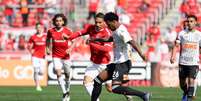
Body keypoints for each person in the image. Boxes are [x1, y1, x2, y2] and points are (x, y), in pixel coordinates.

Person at [64, 12, 133, 101]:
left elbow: (106, 49)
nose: (97, 24)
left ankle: (127, 94)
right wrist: (69, 37)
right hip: (94, 63)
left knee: (110, 88)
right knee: (86, 82)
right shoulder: (91, 28)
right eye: (96, 22)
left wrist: (91, 43)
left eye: (100, 22)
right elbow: (79, 33)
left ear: (105, 23)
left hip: (105, 64)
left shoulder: (107, 33)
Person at [90, 12, 150, 101]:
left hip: (123, 63)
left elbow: (133, 42)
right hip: (117, 63)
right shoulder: (115, 30)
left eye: (108, 24)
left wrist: (141, 54)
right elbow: (110, 38)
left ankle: (143, 95)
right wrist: (96, 39)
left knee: (115, 88)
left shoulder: (121, 31)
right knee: (97, 81)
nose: (107, 26)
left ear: (114, 21)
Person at [170, 15, 200, 101]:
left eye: (191, 21)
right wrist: (173, 56)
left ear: (195, 23)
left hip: (194, 63)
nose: (189, 23)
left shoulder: (199, 35)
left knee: (191, 80)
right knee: (182, 83)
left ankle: (189, 98)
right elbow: (176, 46)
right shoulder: (182, 33)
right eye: (188, 21)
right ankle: (186, 92)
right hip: (183, 62)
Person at [46, 13, 74, 101]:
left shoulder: (68, 31)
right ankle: (64, 93)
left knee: (67, 74)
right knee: (58, 73)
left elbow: (73, 41)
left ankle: (68, 90)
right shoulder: (51, 31)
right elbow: (47, 39)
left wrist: (70, 48)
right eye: (57, 21)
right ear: (54, 22)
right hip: (55, 55)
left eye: (60, 21)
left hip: (65, 56)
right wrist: (47, 48)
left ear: (63, 22)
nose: (58, 22)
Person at [27, 23, 46, 91]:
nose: (39, 28)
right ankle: (37, 86)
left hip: (42, 56)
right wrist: (30, 51)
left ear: (42, 28)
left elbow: (49, 44)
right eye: (37, 27)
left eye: (40, 27)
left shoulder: (45, 36)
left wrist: (49, 50)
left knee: (41, 72)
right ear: (36, 28)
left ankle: (38, 80)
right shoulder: (33, 37)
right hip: (35, 56)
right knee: (36, 71)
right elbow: (28, 45)